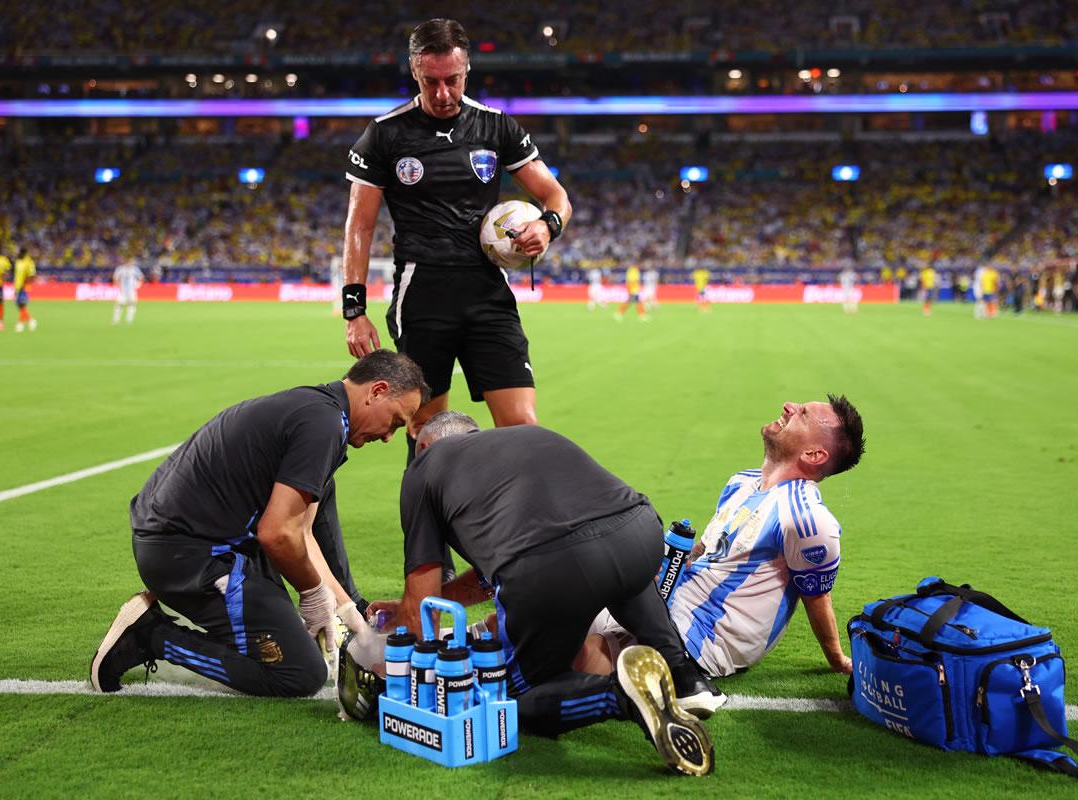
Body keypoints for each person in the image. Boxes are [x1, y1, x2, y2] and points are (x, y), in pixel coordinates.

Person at [375, 412, 720, 776]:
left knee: (514, 695)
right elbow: (488, 575)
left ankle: (621, 696)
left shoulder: (425, 468)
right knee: (616, 566)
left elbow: (421, 608)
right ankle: (682, 671)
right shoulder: (523, 437)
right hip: (639, 532)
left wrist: (390, 662)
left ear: (424, 447)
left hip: (554, 568)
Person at [89, 350, 429, 697]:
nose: (389, 437)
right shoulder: (323, 426)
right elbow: (278, 533)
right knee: (300, 673)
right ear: (376, 391)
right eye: (396, 421)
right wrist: (313, 595)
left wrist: (348, 612)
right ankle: (150, 635)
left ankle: (267, 623)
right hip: (186, 554)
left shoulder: (321, 412)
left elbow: (305, 532)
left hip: (193, 539)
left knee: (321, 495)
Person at [341, 18, 571, 449]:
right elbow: (360, 223)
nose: (443, 93)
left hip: (488, 295)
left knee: (523, 430)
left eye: (453, 80)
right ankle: (430, 518)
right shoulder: (385, 134)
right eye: (432, 82)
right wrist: (354, 309)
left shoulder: (496, 126)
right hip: (424, 294)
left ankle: (515, 518)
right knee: (428, 433)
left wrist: (547, 225)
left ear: (467, 71)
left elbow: (556, 196)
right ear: (415, 72)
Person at [582, 395, 865, 679]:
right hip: (666, 599)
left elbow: (817, 596)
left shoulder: (806, 518)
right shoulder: (742, 482)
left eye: (802, 414)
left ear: (814, 455)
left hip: (700, 638)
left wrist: (837, 658)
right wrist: (667, 563)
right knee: (558, 603)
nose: (789, 406)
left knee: (575, 655)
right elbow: (706, 550)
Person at [112, 259, 144, 325]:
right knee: (119, 304)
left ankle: (129, 320)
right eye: (128, 261)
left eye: (130, 262)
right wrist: (118, 285)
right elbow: (115, 277)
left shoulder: (135, 269)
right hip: (123, 291)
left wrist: (138, 284)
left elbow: (141, 277)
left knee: (132, 304)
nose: (129, 263)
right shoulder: (120, 269)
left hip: (132, 291)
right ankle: (116, 319)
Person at [13, 247, 37, 332]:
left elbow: (32, 275)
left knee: (21, 304)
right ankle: (27, 321)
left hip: (24, 286)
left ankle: (23, 323)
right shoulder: (18, 262)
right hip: (17, 286)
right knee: (19, 305)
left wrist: (26, 283)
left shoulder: (29, 262)